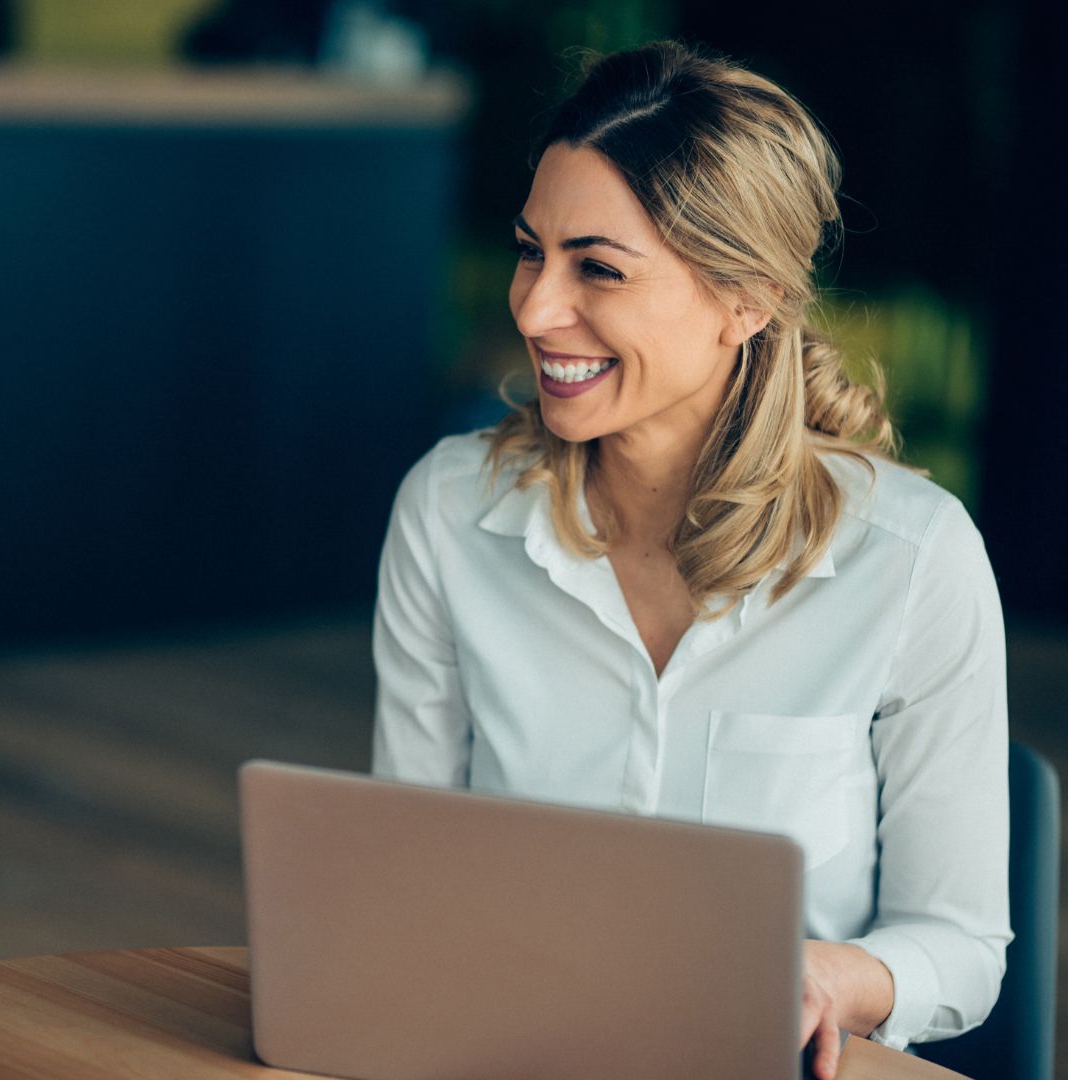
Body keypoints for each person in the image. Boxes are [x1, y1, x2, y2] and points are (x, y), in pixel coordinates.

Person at [371, 40, 1010, 1080]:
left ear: (748, 298)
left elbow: (962, 946)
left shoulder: (912, 559)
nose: (533, 308)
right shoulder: (448, 511)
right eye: (532, 252)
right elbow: (404, 870)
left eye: (598, 268)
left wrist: (832, 977)